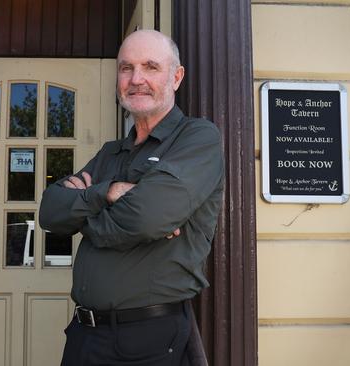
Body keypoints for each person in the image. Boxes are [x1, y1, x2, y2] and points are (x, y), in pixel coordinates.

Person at [39, 29, 223, 366]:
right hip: (84, 337)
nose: (136, 78)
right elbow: (49, 212)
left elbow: (145, 218)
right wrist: (107, 192)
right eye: (126, 68)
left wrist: (85, 218)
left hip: (147, 340)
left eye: (151, 67)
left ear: (176, 77)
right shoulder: (111, 154)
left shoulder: (197, 138)